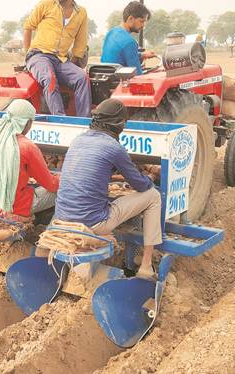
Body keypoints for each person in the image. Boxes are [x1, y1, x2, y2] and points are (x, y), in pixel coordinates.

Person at [54, 99, 161, 279]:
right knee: (154, 196)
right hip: (94, 224)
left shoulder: (78, 140)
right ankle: (146, 265)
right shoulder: (114, 147)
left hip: (61, 218)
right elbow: (141, 185)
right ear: (118, 125)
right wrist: (151, 176)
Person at [23, 0, 91, 117]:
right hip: (39, 55)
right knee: (49, 78)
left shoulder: (81, 13)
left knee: (82, 77)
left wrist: (73, 63)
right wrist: (28, 53)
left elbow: (80, 41)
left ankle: (83, 122)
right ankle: (60, 119)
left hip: (61, 59)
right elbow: (28, 27)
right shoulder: (45, 5)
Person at [0, 99, 59, 221]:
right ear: (27, 123)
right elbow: (51, 185)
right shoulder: (27, 146)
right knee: (59, 192)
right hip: (17, 206)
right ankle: (52, 228)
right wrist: (61, 179)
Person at [101, 1, 156, 75]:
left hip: (106, 79)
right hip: (120, 83)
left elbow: (121, 54)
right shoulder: (129, 42)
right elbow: (138, 75)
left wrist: (143, 55)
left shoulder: (111, 33)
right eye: (141, 21)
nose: (143, 25)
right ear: (130, 19)